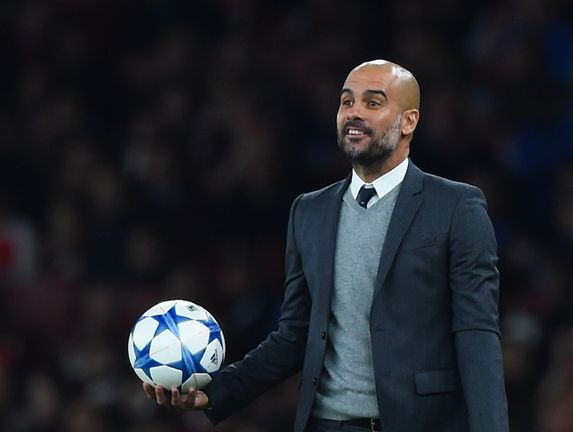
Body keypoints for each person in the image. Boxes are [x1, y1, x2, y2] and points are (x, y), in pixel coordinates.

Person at [144, 59, 510, 432]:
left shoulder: (455, 207)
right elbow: (294, 334)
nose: (354, 113)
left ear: (409, 121)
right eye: (347, 102)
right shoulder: (310, 211)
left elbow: (476, 332)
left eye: (372, 103)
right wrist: (217, 391)